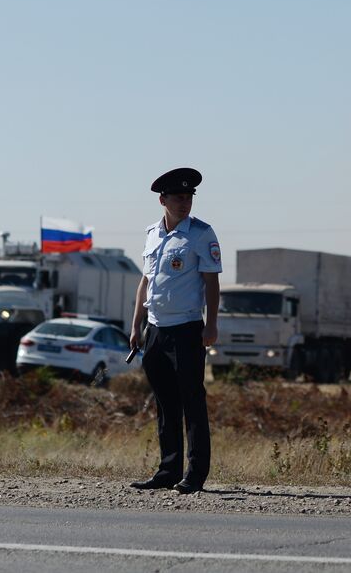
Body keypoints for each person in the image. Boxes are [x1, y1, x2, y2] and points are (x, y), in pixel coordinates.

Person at [129, 166, 221, 493]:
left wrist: (211, 325)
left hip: (186, 328)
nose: (184, 203)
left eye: (188, 197)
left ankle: (195, 474)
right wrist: (136, 325)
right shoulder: (153, 233)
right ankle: (168, 470)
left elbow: (212, 282)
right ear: (162, 200)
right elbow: (145, 282)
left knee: (192, 401)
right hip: (156, 329)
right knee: (165, 403)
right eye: (178, 198)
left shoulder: (201, 234)